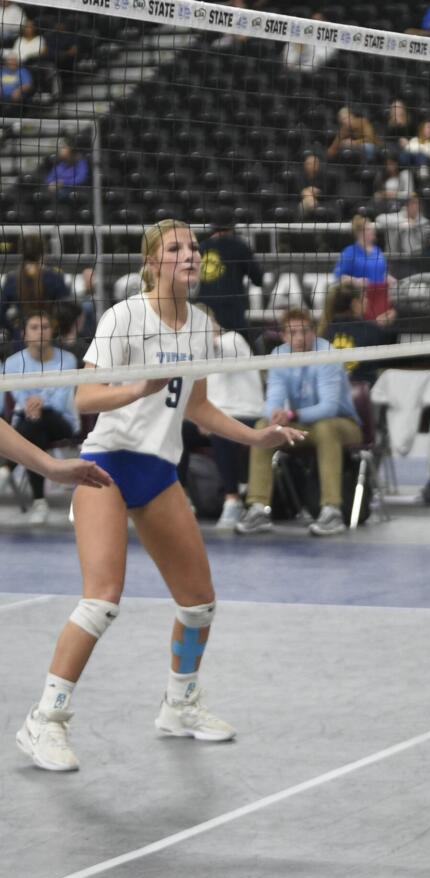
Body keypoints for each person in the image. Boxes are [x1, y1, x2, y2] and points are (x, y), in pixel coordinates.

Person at [14, 219, 302, 772]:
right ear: (152, 263)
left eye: (193, 247)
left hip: (159, 472)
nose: (190, 255)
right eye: (176, 248)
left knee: (199, 603)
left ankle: (180, 705)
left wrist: (257, 435)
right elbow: (86, 399)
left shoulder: (201, 326)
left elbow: (197, 408)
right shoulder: (124, 316)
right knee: (101, 599)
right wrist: (137, 388)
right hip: (106, 467)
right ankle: (44, 721)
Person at [236, 308, 363, 538]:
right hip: (304, 425)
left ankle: (331, 510)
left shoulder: (327, 354)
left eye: (304, 331)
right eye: (293, 333)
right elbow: (272, 401)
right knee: (263, 426)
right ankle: (257, 508)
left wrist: (291, 415)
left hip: (344, 425)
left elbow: (329, 408)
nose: (299, 338)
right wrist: (276, 416)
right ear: (284, 336)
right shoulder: (279, 355)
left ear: (313, 332)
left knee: (326, 427)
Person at [2, 310, 79, 524]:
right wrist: (34, 406)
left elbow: (63, 401)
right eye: (34, 327)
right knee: (35, 428)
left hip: (62, 422)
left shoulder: (68, 359)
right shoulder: (13, 363)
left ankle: (7, 469)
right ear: (25, 334)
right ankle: (39, 503)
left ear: (52, 332)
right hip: (29, 422)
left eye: (45, 327)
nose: (40, 331)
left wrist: (40, 404)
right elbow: (21, 399)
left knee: (36, 422)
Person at [195, 307, 264, 529]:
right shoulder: (195, 353)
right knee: (172, 429)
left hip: (247, 414)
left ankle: (233, 499)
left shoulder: (233, 340)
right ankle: (182, 497)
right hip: (210, 415)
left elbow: (215, 346)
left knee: (219, 431)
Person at [195, 214, 263, 340]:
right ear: (232, 227)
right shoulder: (239, 247)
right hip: (232, 312)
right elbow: (258, 279)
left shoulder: (202, 246)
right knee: (244, 351)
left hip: (205, 310)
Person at [319, 282, 392, 386]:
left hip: (330, 390)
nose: (367, 301)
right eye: (364, 297)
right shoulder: (371, 330)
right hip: (365, 394)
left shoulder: (323, 331)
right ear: (355, 304)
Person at [0, 233, 71, 338]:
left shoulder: (11, 279)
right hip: (49, 337)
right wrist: (54, 328)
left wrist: (14, 330)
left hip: (22, 337)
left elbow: (1, 312)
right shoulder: (54, 277)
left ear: (21, 251)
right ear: (43, 251)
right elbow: (67, 309)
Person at [334, 215, 395, 326]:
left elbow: (383, 272)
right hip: (362, 299)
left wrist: (389, 278)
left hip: (381, 297)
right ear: (359, 233)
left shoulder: (378, 251)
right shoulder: (349, 252)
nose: (372, 231)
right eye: (368, 229)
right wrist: (356, 281)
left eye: (371, 228)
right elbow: (339, 277)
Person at [376, 193, 430, 258]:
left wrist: (413, 225)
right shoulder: (397, 216)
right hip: (393, 257)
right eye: (412, 203)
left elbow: (422, 243)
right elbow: (379, 218)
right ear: (406, 205)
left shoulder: (425, 222)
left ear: (420, 206)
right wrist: (405, 222)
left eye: (417, 204)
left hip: (415, 257)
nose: (414, 206)